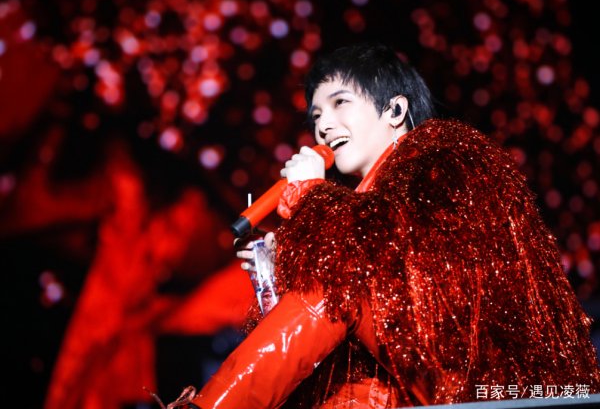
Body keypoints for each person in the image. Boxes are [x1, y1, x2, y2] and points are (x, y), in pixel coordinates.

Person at [180, 43, 600, 408]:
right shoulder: (361, 210)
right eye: (316, 115)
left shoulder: (445, 159)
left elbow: (407, 273)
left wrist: (309, 194)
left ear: (395, 110)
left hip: (473, 379)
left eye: (340, 103)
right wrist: (277, 273)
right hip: (402, 384)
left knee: (339, 276)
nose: (322, 126)